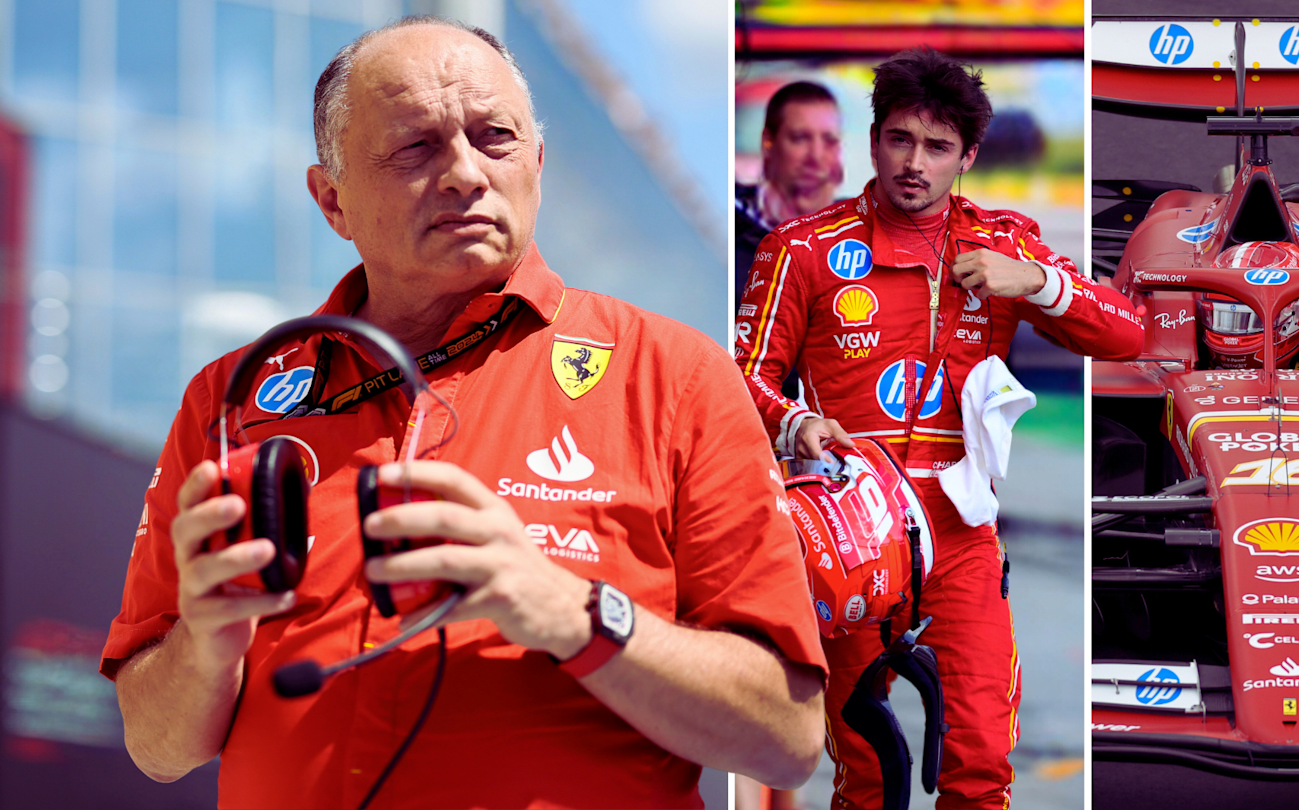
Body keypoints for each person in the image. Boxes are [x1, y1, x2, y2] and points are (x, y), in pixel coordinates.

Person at [102, 17, 826, 809]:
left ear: (539, 166)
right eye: (416, 147)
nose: (464, 175)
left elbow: (785, 738)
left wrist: (567, 610)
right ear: (332, 200)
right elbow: (155, 747)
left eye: (495, 137)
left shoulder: (676, 377)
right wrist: (207, 647)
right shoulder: (229, 400)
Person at [734, 47, 1144, 809]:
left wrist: (1041, 283)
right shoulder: (802, 249)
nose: (913, 164)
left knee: (982, 763)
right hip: (848, 541)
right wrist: (796, 424)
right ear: (873, 139)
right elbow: (740, 382)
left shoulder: (1005, 243)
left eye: (936, 147)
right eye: (898, 139)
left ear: (969, 156)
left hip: (961, 536)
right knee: (865, 775)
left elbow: (1130, 336)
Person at [735, 80, 844, 310]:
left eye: (829, 141)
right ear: (768, 143)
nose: (816, 156)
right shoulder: (733, 229)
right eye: (800, 138)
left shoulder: (863, 235)